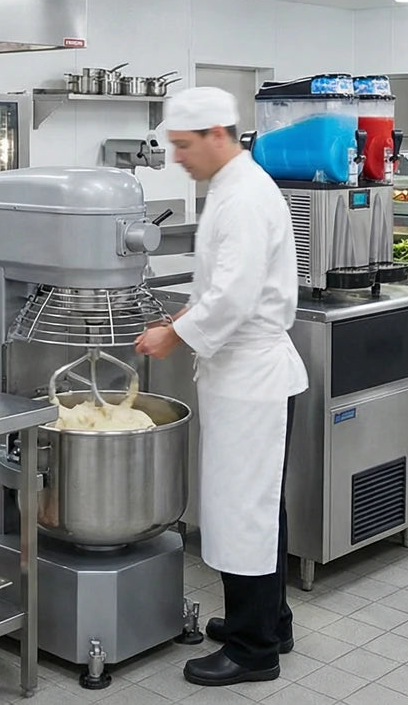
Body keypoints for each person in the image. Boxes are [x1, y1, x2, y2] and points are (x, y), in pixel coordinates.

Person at [134, 86, 308, 687]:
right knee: (258, 503)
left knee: (242, 509)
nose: (177, 157)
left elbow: (233, 297)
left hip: (250, 377)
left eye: (184, 145)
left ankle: (253, 650)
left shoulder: (244, 198)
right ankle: (271, 621)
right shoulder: (234, 187)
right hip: (243, 373)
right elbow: (221, 285)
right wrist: (183, 317)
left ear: (217, 135)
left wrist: (173, 335)